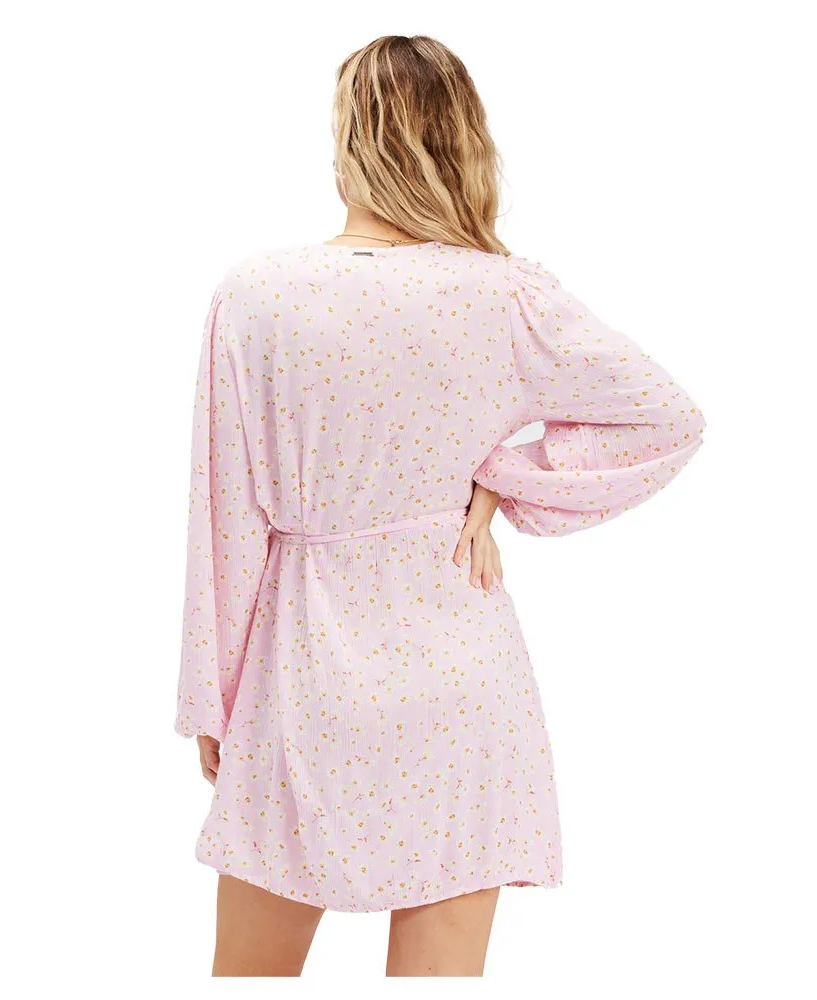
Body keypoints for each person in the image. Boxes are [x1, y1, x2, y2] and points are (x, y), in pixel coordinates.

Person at [174, 34, 706, 978]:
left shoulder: (257, 294)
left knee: (247, 980)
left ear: (348, 135)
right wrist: (502, 475)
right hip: (460, 679)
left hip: (302, 681)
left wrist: (213, 699)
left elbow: (223, 518)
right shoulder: (503, 293)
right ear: (460, 137)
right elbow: (666, 418)